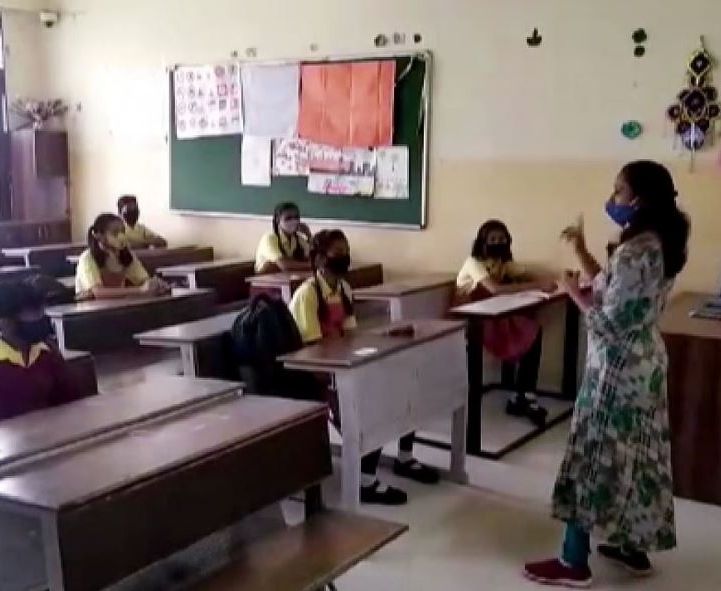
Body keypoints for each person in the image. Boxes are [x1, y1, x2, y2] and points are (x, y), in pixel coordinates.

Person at [524, 161, 689, 587]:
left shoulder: (636, 252)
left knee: (594, 453)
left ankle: (573, 561)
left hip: (618, 369)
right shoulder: (662, 242)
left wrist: (569, 291)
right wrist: (582, 252)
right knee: (638, 453)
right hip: (645, 362)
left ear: (641, 198)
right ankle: (631, 545)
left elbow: (607, 320)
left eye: (619, 191)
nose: (613, 199)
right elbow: (614, 289)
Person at [288, 229, 439, 505]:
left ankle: (405, 458)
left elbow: (350, 336)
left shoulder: (344, 289)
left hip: (343, 364)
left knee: (405, 385)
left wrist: (381, 340)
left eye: (346, 252)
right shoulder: (307, 295)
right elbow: (313, 350)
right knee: (371, 408)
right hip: (316, 372)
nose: (344, 258)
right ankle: (365, 482)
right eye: (338, 253)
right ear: (320, 259)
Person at [456, 220, 555, 427]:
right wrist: (537, 285)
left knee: (533, 331)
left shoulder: (502, 262)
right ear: (482, 242)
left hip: (495, 314)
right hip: (474, 319)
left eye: (502, 239)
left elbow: (526, 274)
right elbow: (495, 289)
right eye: (492, 239)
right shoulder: (474, 262)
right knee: (527, 331)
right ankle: (522, 395)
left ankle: (524, 394)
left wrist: (552, 280)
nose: (497, 243)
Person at [0, 280, 93, 426]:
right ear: (5, 323)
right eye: (32, 313)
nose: (40, 318)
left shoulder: (48, 351)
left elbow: (70, 400)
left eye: (40, 311)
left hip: (55, 431)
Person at [74, 213, 170, 300]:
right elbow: (98, 292)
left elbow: (144, 280)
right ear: (99, 236)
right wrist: (140, 290)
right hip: (89, 309)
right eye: (115, 233)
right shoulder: (87, 258)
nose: (121, 237)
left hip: (116, 305)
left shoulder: (126, 255)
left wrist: (155, 285)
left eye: (123, 231)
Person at [255, 202, 312, 274]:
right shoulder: (270, 238)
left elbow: (313, 255)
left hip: (286, 276)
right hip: (263, 278)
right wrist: (311, 265)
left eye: (296, 217)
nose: (293, 221)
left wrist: (308, 235)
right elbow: (284, 265)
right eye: (288, 218)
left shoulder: (298, 239)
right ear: (277, 220)